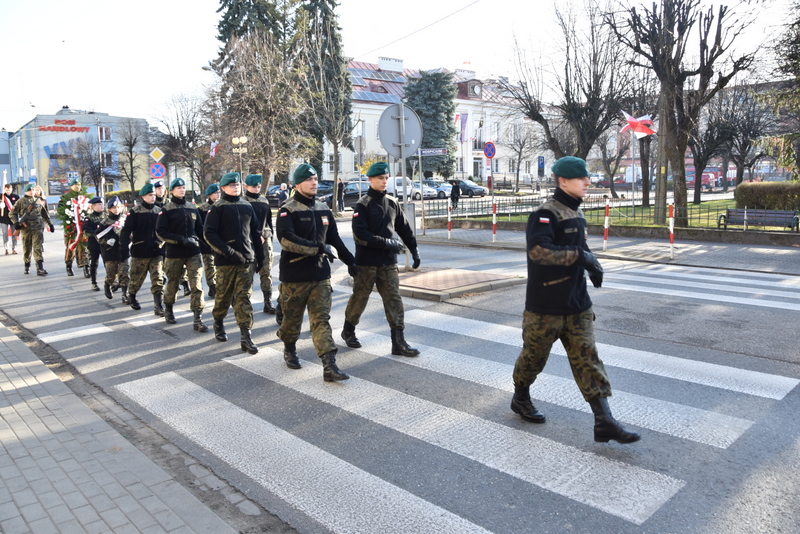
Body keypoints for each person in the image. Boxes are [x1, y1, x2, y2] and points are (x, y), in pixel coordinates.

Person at [510, 156, 640, 444]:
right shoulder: (545, 214)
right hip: (546, 307)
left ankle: (604, 420)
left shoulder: (575, 213)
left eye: (586, 178)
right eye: (581, 178)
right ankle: (520, 397)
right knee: (533, 359)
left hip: (577, 304)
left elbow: (579, 245)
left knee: (588, 359)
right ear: (563, 181)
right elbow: (539, 252)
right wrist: (582, 257)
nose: (587, 182)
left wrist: (592, 263)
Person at [276, 163, 357, 381]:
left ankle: (329, 365)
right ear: (297, 184)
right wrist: (319, 248)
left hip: (320, 275)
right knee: (291, 321)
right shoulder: (288, 209)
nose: (314, 183)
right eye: (309, 180)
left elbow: (334, 240)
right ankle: (289, 348)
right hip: (294, 276)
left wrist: (351, 261)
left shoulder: (323, 208)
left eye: (315, 179)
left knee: (321, 320)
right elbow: (287, 240)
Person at [341, 161, 420, 357]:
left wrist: (414, 249)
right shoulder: (363, 204)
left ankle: (398, 342)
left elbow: (404, 228)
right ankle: (348, 330)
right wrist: (387, 243)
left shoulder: (392, 203)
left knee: (394, 300)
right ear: (370, 180)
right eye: (380, 179)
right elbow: (360, 235)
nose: (384, 182)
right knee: (360, 299)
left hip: (388, 263)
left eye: (386, 178)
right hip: (367, 263)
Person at [204, 172, 264, 354]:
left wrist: (259, 257)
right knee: (223, 297)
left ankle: (246, 336)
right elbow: (209, 234)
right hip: (225, 262)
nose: (236, 187)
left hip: (246, 260)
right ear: (223, 188)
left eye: (238, 185)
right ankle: (218, 322)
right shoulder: (217, 208)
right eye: (232, 185)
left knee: (243, 298)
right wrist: (229, 252)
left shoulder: (247, 205)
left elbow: (255, 232)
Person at [155, 177, 208, 331]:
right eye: (178, 188)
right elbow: (161, 232)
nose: (182, 190)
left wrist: (209, 245)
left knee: (196, 285)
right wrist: (180, 240)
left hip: (193, 252)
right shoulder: (166, 210)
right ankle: (169, 309)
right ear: (171, 191)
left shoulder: (192, 207)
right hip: (174, 252)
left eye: (183, 187)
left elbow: (200, 230)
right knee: (173, 282)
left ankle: (198, 318)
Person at [120, 183, 165, 316]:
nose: (153, 197)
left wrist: (159, 242)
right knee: (136, 278)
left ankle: (158, 305)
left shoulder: (159, 211)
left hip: (156, 251)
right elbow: (126, 230)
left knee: (158, 278)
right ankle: (132, 296)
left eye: (153, 195)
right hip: (140, 251)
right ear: (143, 196)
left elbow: (164, 230)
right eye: (150, 195)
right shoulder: (135, 212)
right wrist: (123, 247)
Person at [243, 173, 276, 314]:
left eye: (258, 186)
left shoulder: (264, 201)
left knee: (266, 272)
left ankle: (267, 302)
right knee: (247, 275)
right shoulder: (242, 202)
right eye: (253, 186)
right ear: (246, 187)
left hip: (264, 241)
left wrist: (267, 235)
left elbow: (269, 223)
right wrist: (253, 237)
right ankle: (245, 303)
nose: (256, 189)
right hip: (248, 243)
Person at [10, 184, 53, 276]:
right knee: (27, 248)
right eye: (30, 190)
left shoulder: (38, 201)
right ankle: (27, 264)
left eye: (33, 190)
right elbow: (12, 213)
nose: (32, 191)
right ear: (25, 191)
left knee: (37, 247)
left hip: (37, 227)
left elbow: (44, 214)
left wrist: (50, 224)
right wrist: (16, 223)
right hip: (26, 228)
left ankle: (40, 268)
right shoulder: (20, 201)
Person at [95, 196, 130, 303]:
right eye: (114, 207)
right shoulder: (105, 222)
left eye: (118, 207)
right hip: (110, 252)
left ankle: (125, 294)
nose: (116, 209)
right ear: (109, 209)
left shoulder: (125, 219)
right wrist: (106, 241)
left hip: (123, 251)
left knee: (124, 273)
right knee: (111, 274)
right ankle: (107, 285)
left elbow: (131, 232)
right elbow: (98, 236)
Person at [56, 177, 89, 277]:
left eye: (78, 185)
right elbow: (60, 211)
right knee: (71, 247)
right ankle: (69, 266)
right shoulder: (65, 198)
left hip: (83, 227)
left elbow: (89, 208)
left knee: (84, 248)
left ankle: (85, 267)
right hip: (71, 227)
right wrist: (69, 218)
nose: (77, 187)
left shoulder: (85, 197)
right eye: (75, 185)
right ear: (71, 186)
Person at [197, 183, 220, 299]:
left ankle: (217, 286)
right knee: (210, 266)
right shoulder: (202, 209)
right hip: (206, 243)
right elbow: (199, 227)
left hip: (220, 242)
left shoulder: (222, 206)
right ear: (210, 195)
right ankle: (212, 286)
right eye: (216, 193)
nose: (218, 194)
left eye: (219, 192)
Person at [82, 197, 105, 291]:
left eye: (102, 204)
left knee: (108, 263)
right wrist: (97, 233)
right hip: (94, 243)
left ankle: (111, 281)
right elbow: (86, 230)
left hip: (105, 243)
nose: (102, 206)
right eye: (99, 204)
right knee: (94, 263)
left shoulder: (106, 216)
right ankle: (94, 282)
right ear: (93, 206)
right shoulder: (89, 218)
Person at [0, 184, 20, 255]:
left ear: (11, 189)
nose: (8, 191)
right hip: (3, 218)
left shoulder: (16, 197)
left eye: (9, 190)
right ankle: (6, 249)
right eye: (6, 190)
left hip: (13, 218)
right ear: (4, 189)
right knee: (5, 233)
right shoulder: (1, 196)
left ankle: (14, 248)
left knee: (14, 234)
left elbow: (19, 207)